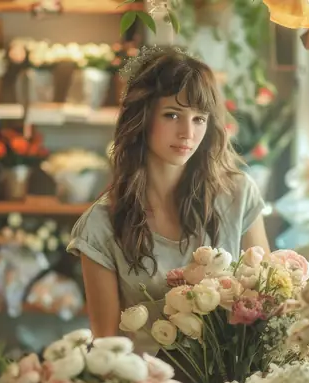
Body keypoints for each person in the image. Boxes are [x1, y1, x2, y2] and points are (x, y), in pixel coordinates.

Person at [66, 46, 270, 354]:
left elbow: (265, 305)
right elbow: (108, 350)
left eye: (199, 118)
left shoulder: (238, 196)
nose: (187, 132)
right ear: (143, 118)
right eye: (172, 114)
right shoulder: (100, 225)